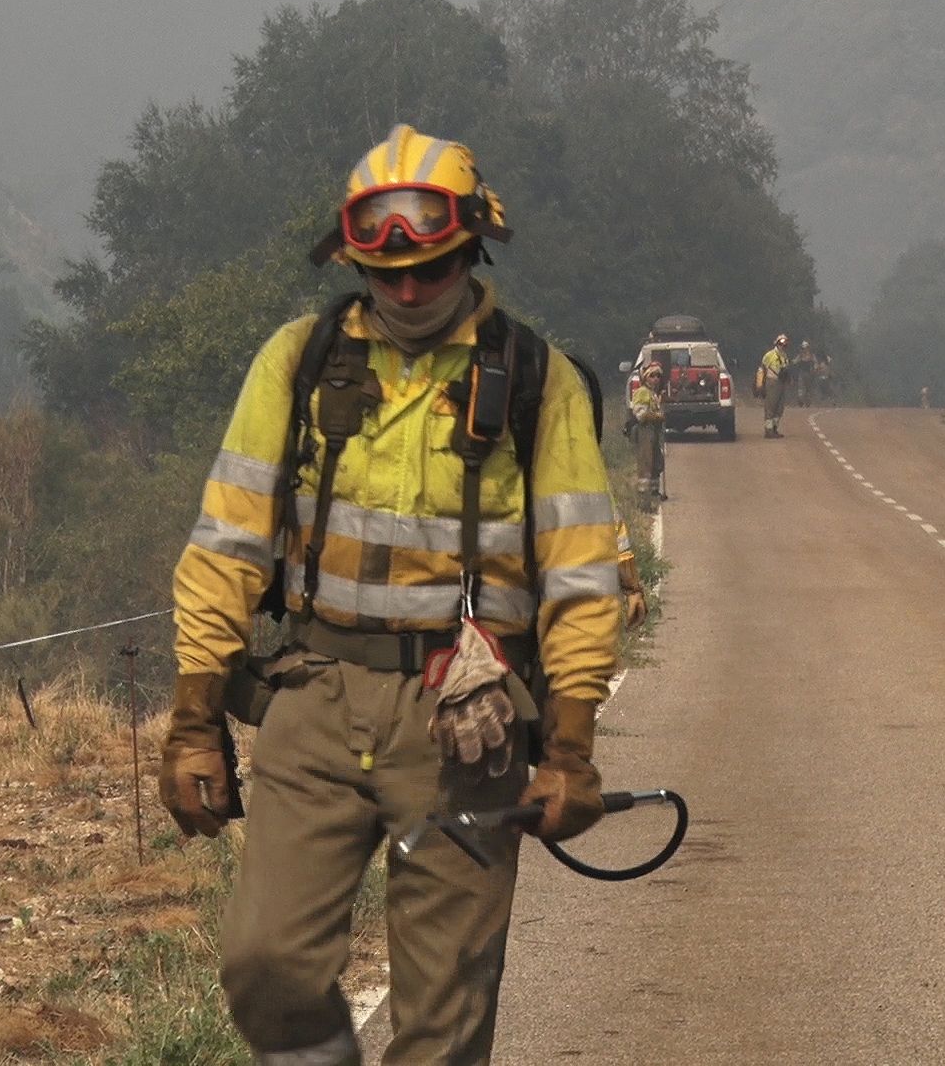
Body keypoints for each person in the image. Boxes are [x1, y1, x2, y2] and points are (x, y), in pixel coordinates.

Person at [159, 123, 620, 1065]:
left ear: (472, 250)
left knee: (444, 1023)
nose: (407, 292)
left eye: (430, 270)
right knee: (264, 967)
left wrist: (570, 752)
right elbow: (226, 546)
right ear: (354, 262)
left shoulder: (538, 383)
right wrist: (193, 723)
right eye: (385, 273)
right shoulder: (299, 361)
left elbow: (581, 579)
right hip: (315, 700)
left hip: (470, 725)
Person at [630, 361, 667, 508]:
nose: (656, 379)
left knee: (657, 463)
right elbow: (641, 415)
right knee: (646, 464)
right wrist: (657, 416)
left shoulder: (653, 394)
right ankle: (644, 500)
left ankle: (654, 493)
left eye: (658, 376)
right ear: (645, 377)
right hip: (645, 431)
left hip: (654, 432)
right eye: (652, 376)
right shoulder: (642, 392)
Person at [760, 334, 792, 438]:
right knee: (770, 406)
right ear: (777, 344)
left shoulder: (785, 356)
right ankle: (768, 431)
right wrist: (761, 384)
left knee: (780, 408)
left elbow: (786, 369)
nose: (783, 346)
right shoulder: (769, 355)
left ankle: (774, 428)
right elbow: (762, 369)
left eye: (785, 344)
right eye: (781, 344)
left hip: (782, 383)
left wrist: (789, 379)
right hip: (772, 382)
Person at [793, 341, 816, 407]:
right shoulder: (800, 355)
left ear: (808, 348)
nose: (804, 349)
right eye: (803, 348)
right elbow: (795, 361)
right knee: (801, 388)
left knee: (808, 388)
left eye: (805, 348)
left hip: (809, 374)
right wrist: (792, 361)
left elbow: (815, 362)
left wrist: (815, 368)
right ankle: (801, 401)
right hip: (801, 373)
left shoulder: (811, 355)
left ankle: (807, 402)